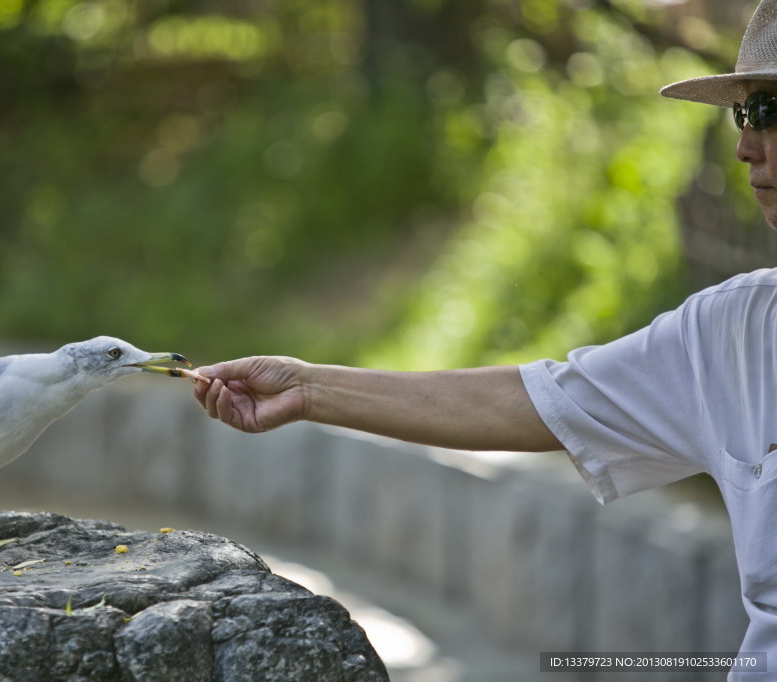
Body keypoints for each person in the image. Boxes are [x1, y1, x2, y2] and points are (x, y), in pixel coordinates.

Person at [192, 1, 777, 678]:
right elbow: (535, 401)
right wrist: (310, 388)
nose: (743, 144)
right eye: (744, 113)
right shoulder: (735, 331)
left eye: (767, 110)